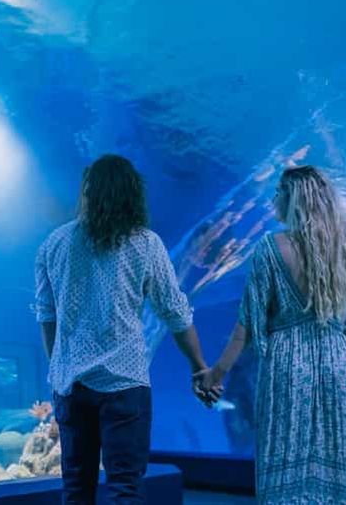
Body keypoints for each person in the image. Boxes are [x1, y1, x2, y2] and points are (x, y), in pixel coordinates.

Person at [35, 154, 218, 505]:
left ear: (87, 192)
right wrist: (199, 366)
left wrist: (59, 370)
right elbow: (176, 313)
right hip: (125, 384)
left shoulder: (53, 245)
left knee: (76, 489)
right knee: (125, 489)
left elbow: (47, 317)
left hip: (71, 387)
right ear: (131, 194)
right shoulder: (146, 244)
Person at [198, 165, 346, 504]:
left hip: (288, 366)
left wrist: (215, 374)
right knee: (338, 470)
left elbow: (246, 325)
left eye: (279, 192)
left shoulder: (270, 248)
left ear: (294, 199)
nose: (273, 198)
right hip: (338, 366)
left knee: (288, 466)